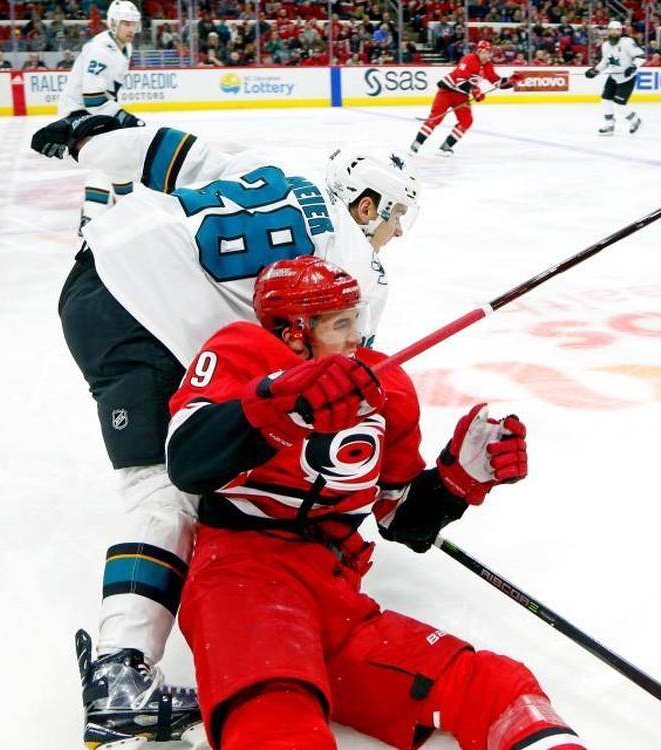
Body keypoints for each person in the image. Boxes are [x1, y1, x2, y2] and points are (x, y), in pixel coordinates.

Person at [30, 116, 422, 748]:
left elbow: (156, 150)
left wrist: (87, 138)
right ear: (367, 201)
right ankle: (120, 676)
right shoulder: (354, 270)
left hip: (94, 275)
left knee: (183, 458)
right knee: (166, 489)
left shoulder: (269, 168)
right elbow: (340, 388)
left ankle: (124, 663)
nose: (398, 230)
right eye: (396, 214)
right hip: (149, 314)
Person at [164, 256, 587, 750]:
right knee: (277, 720)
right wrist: (284, 404)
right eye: (341, 324)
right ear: (295, 331)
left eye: (356, 320)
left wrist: (458, 480)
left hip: (337, 594)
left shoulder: (382, 384)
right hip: (244, 578)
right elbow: (187, 458)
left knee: (498, 686)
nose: (355, 338)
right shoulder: (241, 351)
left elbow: (400, 521)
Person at [59, 0, 145, 233]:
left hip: (96, 112)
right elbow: (93, 98)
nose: (131, 29)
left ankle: (113, 211)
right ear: (114, 23)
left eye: (134, 24)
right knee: (108, 156)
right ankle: (95, 216)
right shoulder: (100, 50)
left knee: (116, 157)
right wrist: (125, 118)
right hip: (77, 113)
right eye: (126, 23)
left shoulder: (124, 47)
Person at [408, 39, 514, 157]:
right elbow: (460, 80)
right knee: (435, 118)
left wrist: (511, 81)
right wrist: (475, 91)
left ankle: (446, 146)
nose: (486, 55)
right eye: (483, 52)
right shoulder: (468, 59)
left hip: (462, 95)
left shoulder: (488, 65)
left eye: (488, 52)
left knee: (466, 121)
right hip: (447, 92)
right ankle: (416, 144)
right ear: (477, 52)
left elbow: (496, 81)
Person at [584, 20, 646, 136]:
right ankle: (610, 125)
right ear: (608, 31)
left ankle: (635, 120)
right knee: (605, 100)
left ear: (621, 32)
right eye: (611, 30)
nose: (614, 32)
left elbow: (641, 56)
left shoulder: (627, 42)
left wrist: (633, 67)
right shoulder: (605, 45)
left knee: (619, 105)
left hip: (627, 79)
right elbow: (605, 62)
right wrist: (595, 70)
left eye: (617, 30)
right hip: (613, 77)